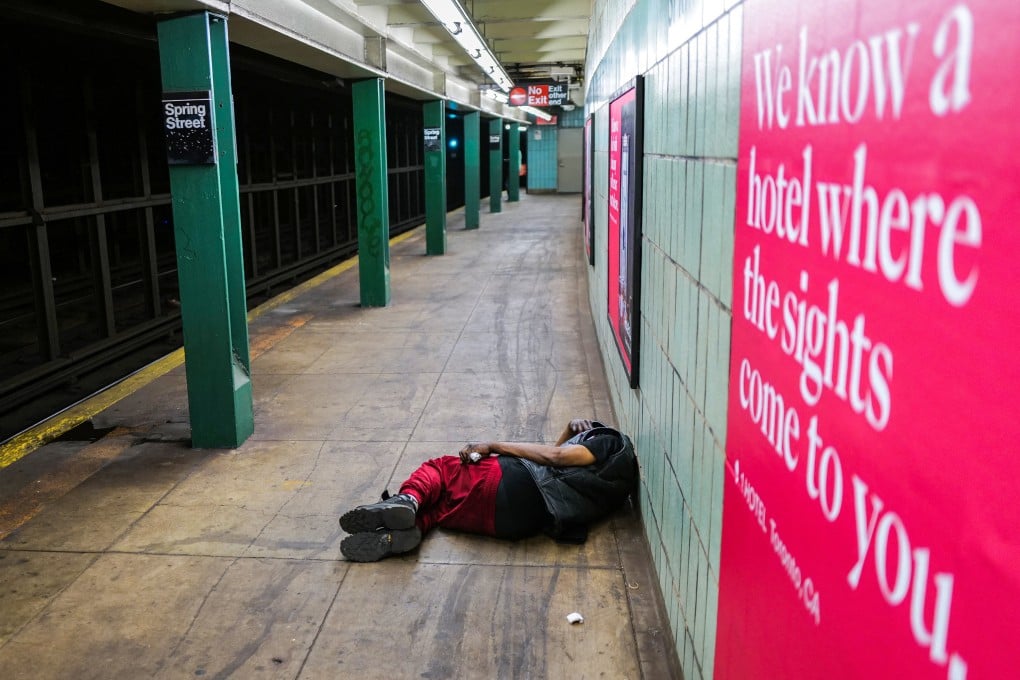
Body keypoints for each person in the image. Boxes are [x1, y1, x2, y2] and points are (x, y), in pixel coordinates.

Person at [339, 418, 638, 562]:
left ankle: (409, 499)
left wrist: (493, 445)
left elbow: (555, 458)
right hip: (516, 522)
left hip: (514, 483)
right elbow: (560, 465)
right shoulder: (613, 487)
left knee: (442, 469)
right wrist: (569, 432)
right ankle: (403, 532)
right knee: (444, 508)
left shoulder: (611, 442)